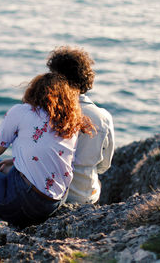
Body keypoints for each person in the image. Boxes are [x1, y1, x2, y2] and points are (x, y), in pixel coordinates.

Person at [0, 73, 94, 245]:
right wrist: (14, 162)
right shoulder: (68, 121)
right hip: (53, 203)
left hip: (26, 205)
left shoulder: (22, 112)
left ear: (34, 91)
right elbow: (50, 152)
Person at [46, 46, 115, 204]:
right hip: (83, 195)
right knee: (96, 182)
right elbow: (105, 165)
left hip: (49, 194)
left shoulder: (47, 112)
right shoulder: (103, 117)